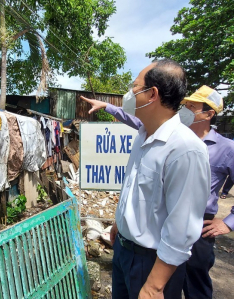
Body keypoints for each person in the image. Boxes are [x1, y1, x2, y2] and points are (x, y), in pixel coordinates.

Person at [81, 85, 234, 298]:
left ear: (209, 113)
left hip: (198, 227)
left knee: (195, 286)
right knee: (162, 284)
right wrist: (107, 106)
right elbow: (136, 122)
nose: (185, 109)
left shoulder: (228, 149)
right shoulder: (162, 134)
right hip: (159, 225)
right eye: (185, 104)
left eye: (192, 106)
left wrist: (230, 222)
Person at [88, 59, 211, 299]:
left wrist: (155, 286)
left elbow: (182, 226)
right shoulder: (143, 135)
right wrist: (120, 224)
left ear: (152, 94)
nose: (129, 94)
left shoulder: (185, 148)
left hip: (152, 262)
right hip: (124, 251)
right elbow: (137, 191)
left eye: (134, 87)